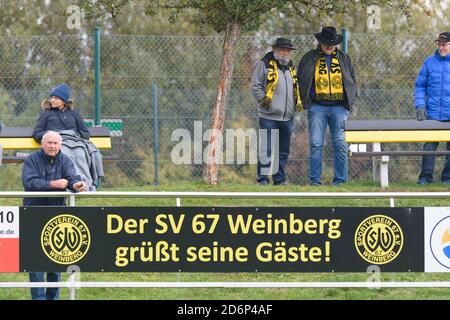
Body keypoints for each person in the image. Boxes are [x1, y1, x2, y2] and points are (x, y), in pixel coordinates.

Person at [22, 131, 86, 300]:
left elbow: (73, 178)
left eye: (55, 143)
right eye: (49, 143)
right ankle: (38, 298)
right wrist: (53, 184)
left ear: (60, 145)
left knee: (55, 261)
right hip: (34, 215)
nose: (52, 146)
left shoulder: (65, 160)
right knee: (35, 262)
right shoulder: (32, 159)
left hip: (57, 217)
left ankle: (53, 298)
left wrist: (77, 185)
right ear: (42, 144)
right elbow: (29, 182)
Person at [297, 26, 357, 186]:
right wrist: (307, 99)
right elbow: (300, 79)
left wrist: (351, 99)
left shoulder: (344, 58)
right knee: (316, 144)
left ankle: (340, 181)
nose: (329, 47)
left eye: (332, 44)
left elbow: (352, 79)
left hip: (339, 107)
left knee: (340, 144)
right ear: (320, 43)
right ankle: (315, 181)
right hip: (317, 107)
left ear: (336, 44)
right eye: (326, 44)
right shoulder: (309, 58)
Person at [32, 83, 103, 191]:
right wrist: (52, 135)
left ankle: (85, 185)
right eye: (52, 97)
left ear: (63, 100)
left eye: (56, 98)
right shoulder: (46, 114)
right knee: (66, 155)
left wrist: (74, 134)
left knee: (80, 155)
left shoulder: (74, 114)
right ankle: (73, 185)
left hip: (76, 143)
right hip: (57, 144)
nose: (52, 100)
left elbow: (85, 133)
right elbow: (37, 134)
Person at [252, 37, 302, 185]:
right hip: (269, 116)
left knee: (283, 151)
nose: (285, 53)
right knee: (266, 149)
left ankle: (279, 179)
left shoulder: (291, 67)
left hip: (287, 117)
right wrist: (266, 103)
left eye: (287, 50)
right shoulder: (264, 63)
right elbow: (256, 86)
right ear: (275, 50)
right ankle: (263, 180)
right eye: (282, 50)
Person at [415, 32, 450, 185]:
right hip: (433, 113)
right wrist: (420, 105)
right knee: (429, 146)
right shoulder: (429, 62)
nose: (441, 47)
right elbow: (420, 86)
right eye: (439, 44)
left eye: (444, 44)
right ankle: (425, 178)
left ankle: (447, 178)